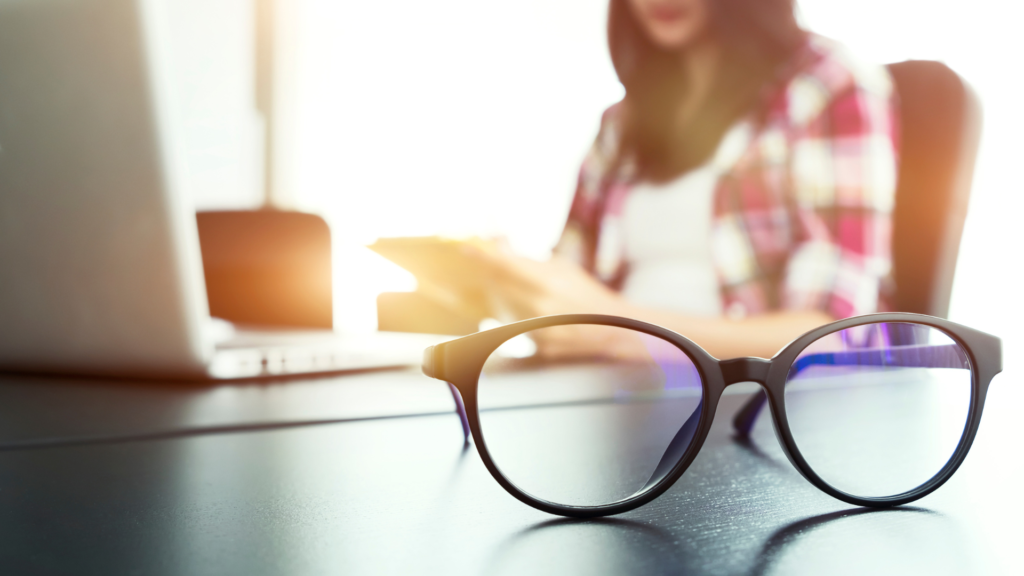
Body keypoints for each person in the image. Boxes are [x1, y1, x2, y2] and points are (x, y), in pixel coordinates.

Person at [468, 0, 898, 360]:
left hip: (751, 406)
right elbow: (574, 282)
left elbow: (835, 335)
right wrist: (504, 279)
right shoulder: (622, 122)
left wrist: (621, 332)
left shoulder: (828, 84)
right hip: (612, 394)